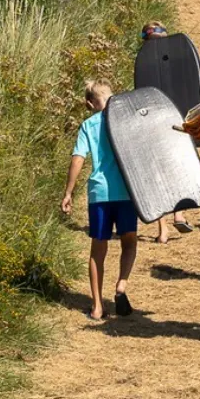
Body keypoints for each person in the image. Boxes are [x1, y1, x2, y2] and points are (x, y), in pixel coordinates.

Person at [60, 81, 139, 320]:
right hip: (126, 192)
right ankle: (121, 285)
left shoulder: (88, 125)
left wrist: (68, 192)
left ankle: (97, 307)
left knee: (98, 250)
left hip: (100, 194)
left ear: (90, 103)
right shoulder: (126, 120)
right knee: (129, 243)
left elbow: (78, 159)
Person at [139, 21, 195, 243]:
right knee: (157, 174)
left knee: (179, 166)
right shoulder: (143, 62)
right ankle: (163, 229)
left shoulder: (178, 58)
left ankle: (179, 214)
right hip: (153, 119)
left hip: (175, 117)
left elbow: (187, 86)